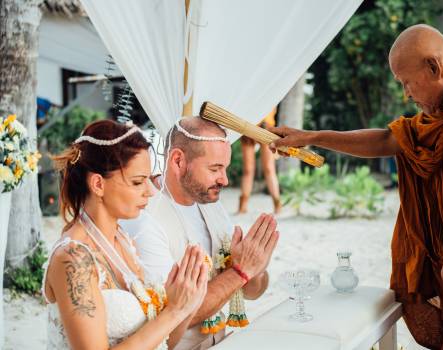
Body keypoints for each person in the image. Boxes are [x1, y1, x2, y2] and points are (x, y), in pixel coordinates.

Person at [268, 24, 443, 349]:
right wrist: (312, 137)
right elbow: (391, 139)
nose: (406, 94)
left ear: (434, 67)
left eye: (406, 82)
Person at [42, 119, 208, 350]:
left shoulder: (123, 241)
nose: (150, 191)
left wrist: (186, 303)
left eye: (149, 180)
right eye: (138, 182)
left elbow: (164, 342)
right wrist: (173, 312)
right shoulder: (73, 259)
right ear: (98, 184)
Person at [121, 117, 279, 350]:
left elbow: (253, 292)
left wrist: (255, 269)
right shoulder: (146, 218)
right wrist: (240, 271)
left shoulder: (209, 201)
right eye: (215, 168)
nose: (224, 180)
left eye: (225, 168)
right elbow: (176, 313)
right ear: (178, 161)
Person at [238, 107, 282, 214]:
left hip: (266, 125)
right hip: (248, 125)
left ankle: (277, 204)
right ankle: (242, 205)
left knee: (269, 168)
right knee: (248, 169)